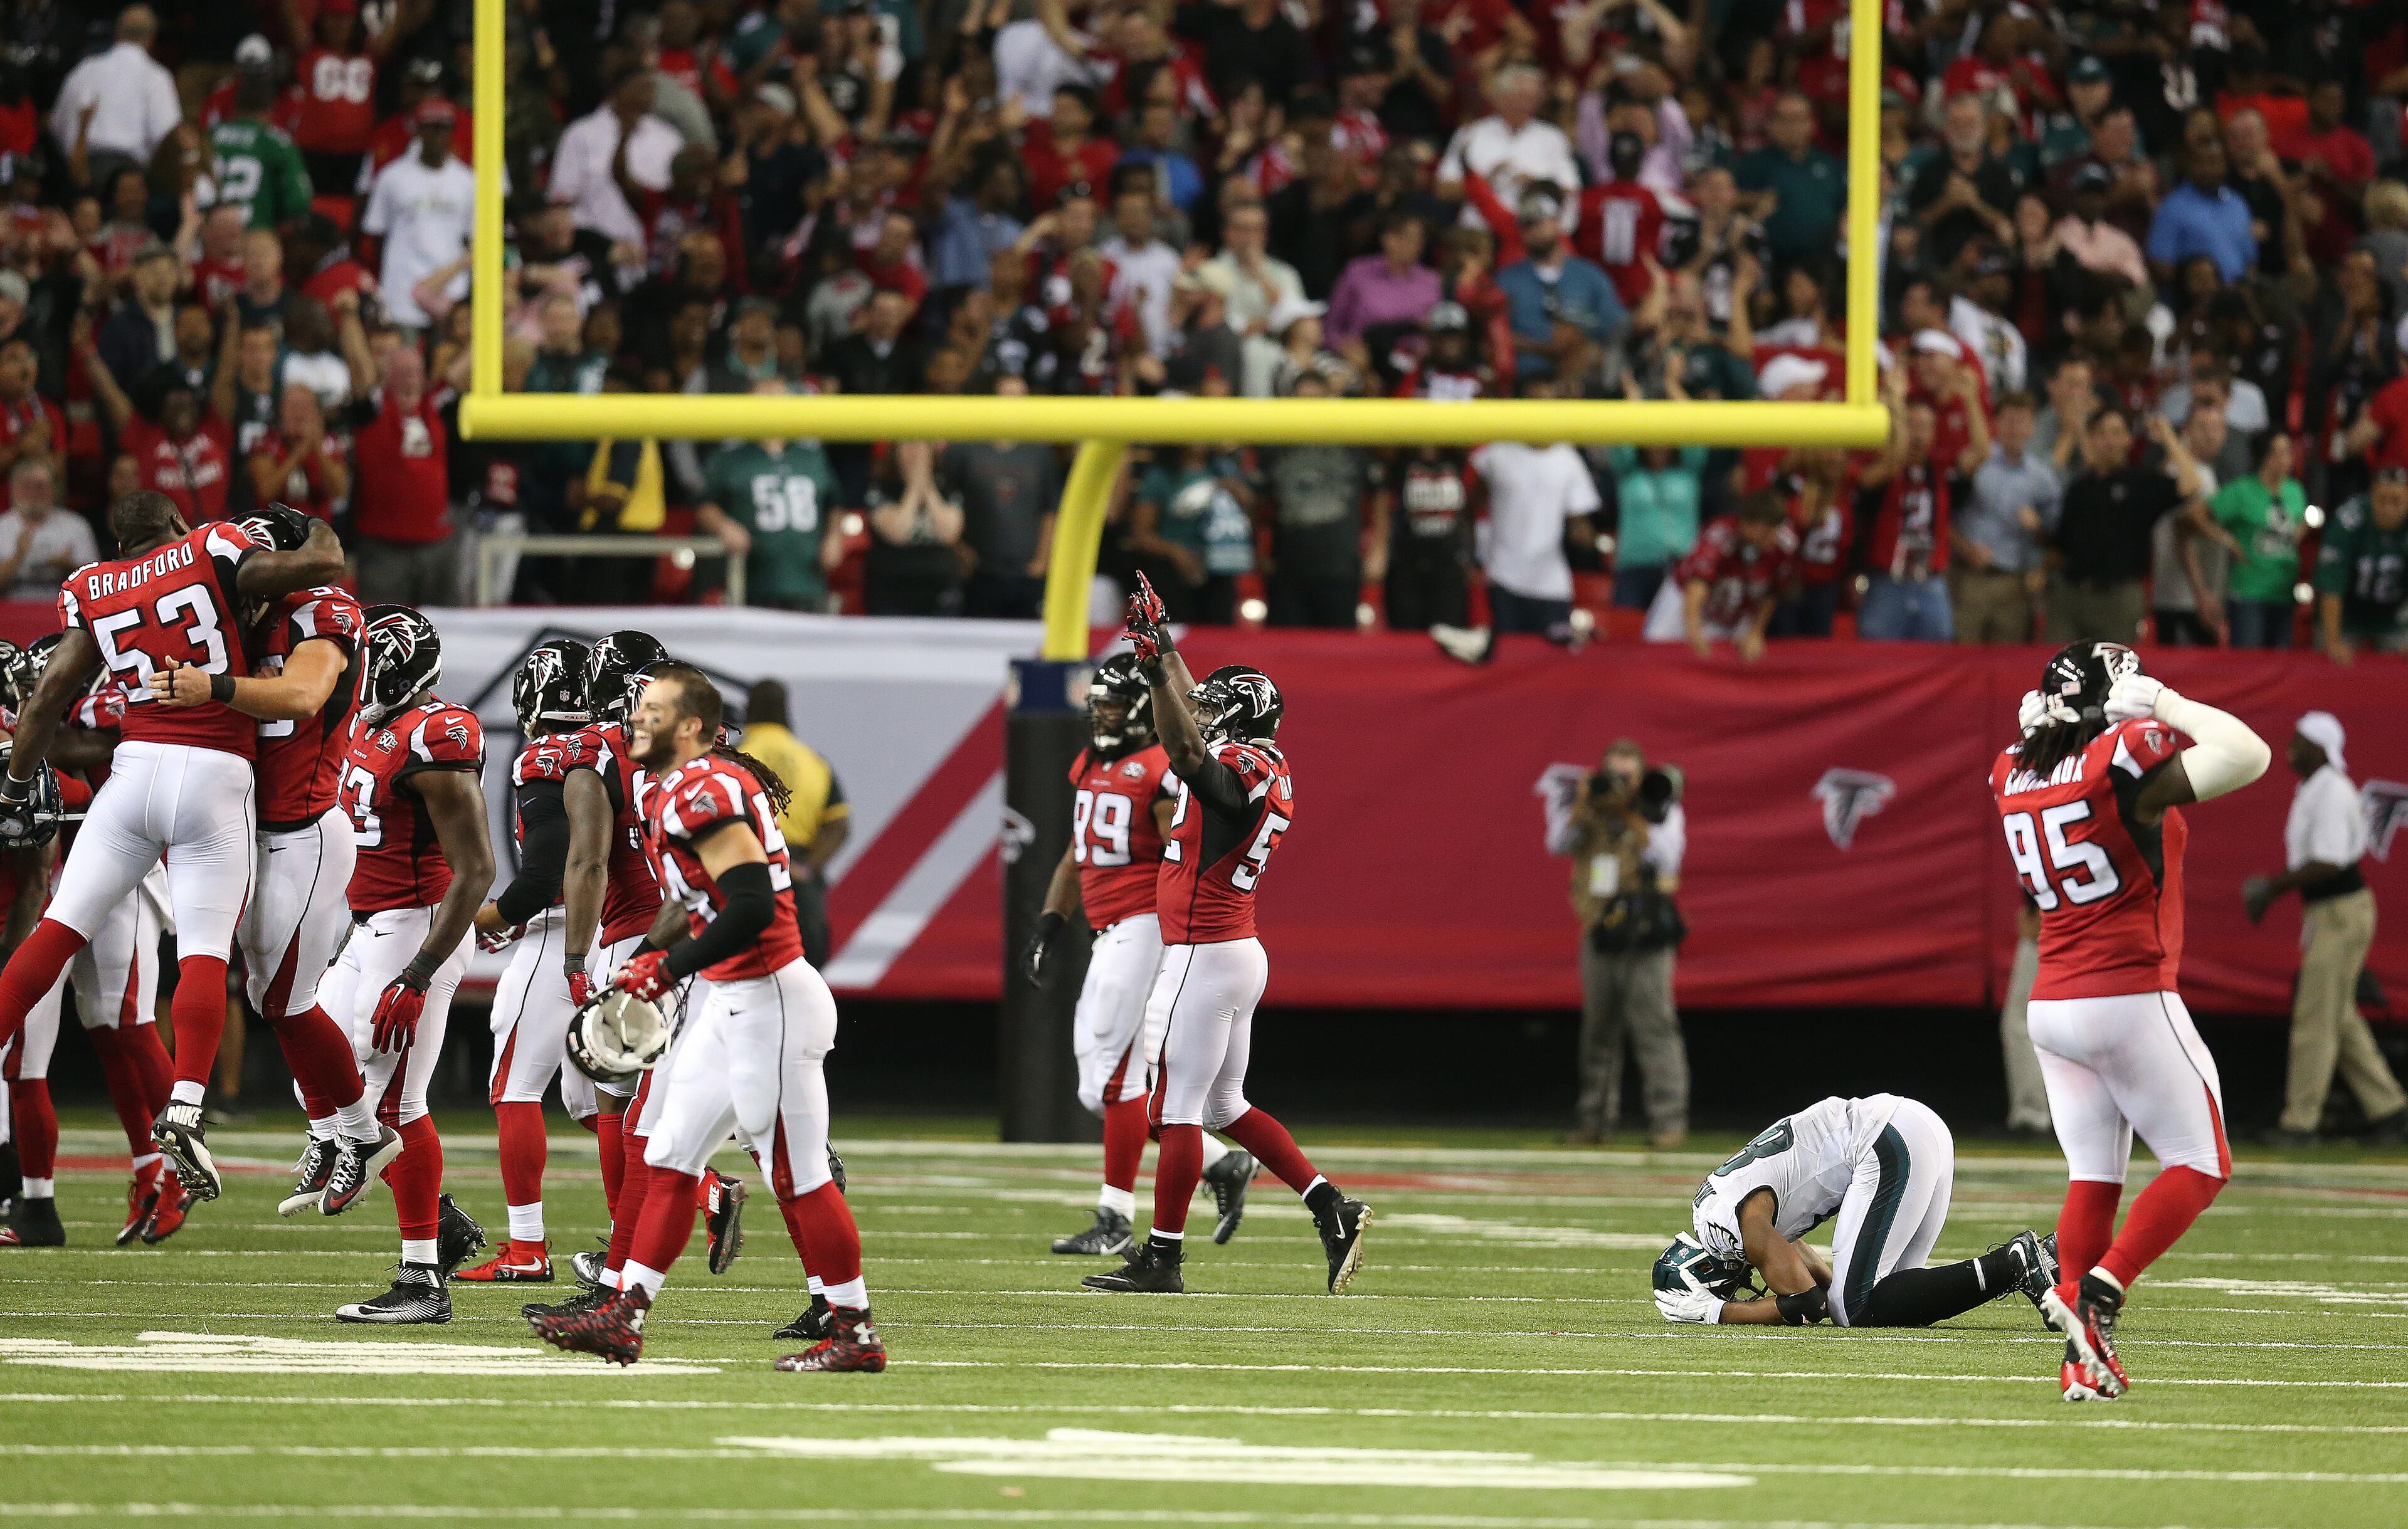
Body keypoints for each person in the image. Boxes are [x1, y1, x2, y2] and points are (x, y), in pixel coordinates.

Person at [531, 663, 885, 1372]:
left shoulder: (702, 790)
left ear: (691, 726)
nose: (635, 721)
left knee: (799, 1174)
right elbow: (700, 901)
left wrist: (666, 967)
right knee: (666, 1153)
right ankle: (622, 1316)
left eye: (653, 711)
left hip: (772, 1000)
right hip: (732, 1000)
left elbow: (751, 903)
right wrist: (649, 954)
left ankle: (855, 1333)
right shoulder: (675, 786)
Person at [0, 493, 344, 1202]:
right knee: (203, 952)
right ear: (178, 527)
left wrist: (13, 784)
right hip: (217, 770)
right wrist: (311, 520)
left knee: (60, 927)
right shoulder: (208, 547)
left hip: (133, 772)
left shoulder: (90, 585)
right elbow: (325, 562)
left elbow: (47, 700)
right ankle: (186, 1103)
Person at [1994, 641, 2271, 1400]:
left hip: (2052, 1005)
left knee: (2094, 1175)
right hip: (2125, 993)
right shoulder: (2118, 756)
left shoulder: (2011, 770)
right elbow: (2249, 754)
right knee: (2203, 1161)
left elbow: (2054, 760)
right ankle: (2103, 1289)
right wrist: (2165, 705)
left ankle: (2081, 1360)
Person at [1081, 579, 1370, 1296]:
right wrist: (1167, 647)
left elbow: (1186, 753)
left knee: (1171, 1110)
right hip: (1234, 950)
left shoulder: (1237, 766)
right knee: (1223, 1107)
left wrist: (1153, 670)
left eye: (1215, 708)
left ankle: (1164, 1259)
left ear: (1237, 720)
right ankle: (1331, 1207)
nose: (1199, 713)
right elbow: (1197, 726)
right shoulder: (1267, 761)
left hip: (1202, 954)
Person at [145, 506, 386, 1224]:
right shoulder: (241, 611)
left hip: (306, 829)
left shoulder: (323, 611)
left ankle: (361, 1135)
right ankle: (340, 1133)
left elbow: (305, 694)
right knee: (266, 996)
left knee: (286, 998)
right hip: (252, 824)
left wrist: (214, 688)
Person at [1025, 655, 1256, 1257]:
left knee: (1119, 1077)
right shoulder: (1089, 763)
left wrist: (1176, 930)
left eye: (1109, 704)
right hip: (1112, 930)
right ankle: (1219, 1162)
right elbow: (1080, 852)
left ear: (1135, 708)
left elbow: (1181, 853)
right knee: (1098, 1081)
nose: (1100, 715)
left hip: (1147, 927)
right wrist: (1052, 919)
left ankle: (1116, 1216)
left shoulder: (1159, 768)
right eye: (1095, 704)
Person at [318, 607, 494, 1323]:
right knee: (320, 1056)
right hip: (367, 928)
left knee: (396, 1105)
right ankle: (442, 1221)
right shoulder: (366, 725)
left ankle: (422, 1279)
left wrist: (419, 973)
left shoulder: (437, 733)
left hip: (416, 928)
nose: (363, 676)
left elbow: (477, 869)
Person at [460, 641, 608, 1283]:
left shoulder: (548, 757)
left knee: (515, 1088)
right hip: (619, 927)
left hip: (560, 934)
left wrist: (486, 919)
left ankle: (527, 1248)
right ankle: (696, 1194)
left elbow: (546, 876)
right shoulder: (616, 746)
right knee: (595, 1099)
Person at [1652, 1096, 2056, 1329]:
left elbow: (1806, 1303)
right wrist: (1841, 1291)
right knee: (1896, 1299)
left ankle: (2013, 1263)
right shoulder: (1717, 1207)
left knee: (1859, 1309)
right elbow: (1822, 1288)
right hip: (1913, 1126)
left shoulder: (1728, 1226)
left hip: (1884, 1140)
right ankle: (2054, 1256)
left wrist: (1720, 1314)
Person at [2243, 715, 2407, 1146]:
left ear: (2320, 746)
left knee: (2315, 1018)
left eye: (2300, 741)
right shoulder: (2315, 787)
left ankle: (2300, 1123)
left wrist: (2273, 887)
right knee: (2338, 1015)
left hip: (2340, 911)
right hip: (2331, 910)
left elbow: (2330, 861)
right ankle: (2390, 1108)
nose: (2290, 747)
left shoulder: (2331, 791)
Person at [1549, 741, 1687, 1148]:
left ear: (1642, 775)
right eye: (1615, 772)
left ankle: (1668, 1122)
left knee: (1655, 1027)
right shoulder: (1590, 804)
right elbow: (1558, 843)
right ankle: (1594, 1121)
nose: (1621, 782)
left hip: (1644, 930)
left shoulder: (1658, 806)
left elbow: (1668, 859)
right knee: (1598, 1029)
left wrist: (1637, 811)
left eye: (1628, 774)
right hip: (1599, 926)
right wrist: (1586, 802)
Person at [2046, 410, 2201, 644]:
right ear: (2091, 439)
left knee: (2116, 673)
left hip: (2119, 596)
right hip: (2072, 594)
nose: (2109, 440)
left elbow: (2191, 486)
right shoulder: (2078, 488)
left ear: (2129, 440)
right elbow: (2062, 544)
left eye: (2117, 432)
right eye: (2102, 433)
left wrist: (2168, 437)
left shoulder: (2142, 482)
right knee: (2060, 670)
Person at [697, 382, 846, 612]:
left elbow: (834, 502)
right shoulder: (731, 457)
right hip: (752, 583)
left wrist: (834, 536)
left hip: (810, 582)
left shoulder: (811, 455)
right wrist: (724, 526)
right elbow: (705, 504)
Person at [737, 680, 850, 969]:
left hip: (746, 869)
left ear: (748, 711)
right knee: (804, 970)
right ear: (786, 713)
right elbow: (839, 826)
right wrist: (808, 867)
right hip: (797, 879)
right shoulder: (814, 762)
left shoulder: (732, 758)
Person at [1469, 405, 1601, 639]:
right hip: (1504, 578)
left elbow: (1580, 522)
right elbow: (1472, 504)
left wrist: (1586, 537)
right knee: (1509, 663)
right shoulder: (1498, 452)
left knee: (1552, 669)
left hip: (1551, 583)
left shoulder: (1567, 458)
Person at [361, 102, 477, 334]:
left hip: (450, 290)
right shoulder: (392, 176)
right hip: (401, 288)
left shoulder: (468, 181)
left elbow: (472, 239)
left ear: (452, 132)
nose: (437, 135)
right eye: (431, 128)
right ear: (418, 130)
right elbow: (376, 234)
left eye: (443, 128)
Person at [1954, 392, 2058, 643]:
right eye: (2009, 420)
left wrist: (2039, 529)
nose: (2015, 428)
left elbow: (2057, 536)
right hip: (1970, 577)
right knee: (1961, 657)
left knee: (2009, 663)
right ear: (1996, 424)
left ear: (2032, 428)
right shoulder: (1976, 463)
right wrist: (1966, 548)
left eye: (2022, 421)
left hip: (2015, 584)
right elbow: (1945, 516)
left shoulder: (2043, 478)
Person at [1644, 492, 1797, 660]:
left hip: (1735, 605)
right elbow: (1697, 585)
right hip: (1685, 597)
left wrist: (1756, 631)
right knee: (1658, 645)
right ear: (1746, 525)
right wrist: (1694, 632)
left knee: (1737, 656)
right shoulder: (1720, 535)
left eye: (1776, 529)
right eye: (1766, 531)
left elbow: (1773, 592)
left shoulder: (1784, 545)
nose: (1773, 537)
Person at [2207, 434, 2306, 649]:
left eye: (2288, 453)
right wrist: (2226, 540)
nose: (2285, 459)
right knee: (2248, 662)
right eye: (2277, 453)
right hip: (2249, 593)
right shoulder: (2242, 490)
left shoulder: (2295, 490)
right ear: (2264, 457)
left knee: (2281, 666)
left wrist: (2301, 530)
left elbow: (2300, 522)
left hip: (2283, 591)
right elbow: (2199, 515)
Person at [2315, 467, 2408, 663]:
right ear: (2371, 496)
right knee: (2332, 668)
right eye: (2382, 500)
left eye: (2396, 501)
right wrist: (2333, 641)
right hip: (2347, 612)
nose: (2389, 509)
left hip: (2394, 615)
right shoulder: (2348, 522)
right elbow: (2332, 585)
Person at [0, 458, 98, 601]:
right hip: (11, 613)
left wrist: (69, 568)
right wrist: (17, 558)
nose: (33, 493)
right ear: (14, 489)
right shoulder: (2, 527)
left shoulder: (76, 526)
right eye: (27, 486)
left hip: (65, 612)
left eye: (40, 486)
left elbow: (96, 585)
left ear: (54, 489)